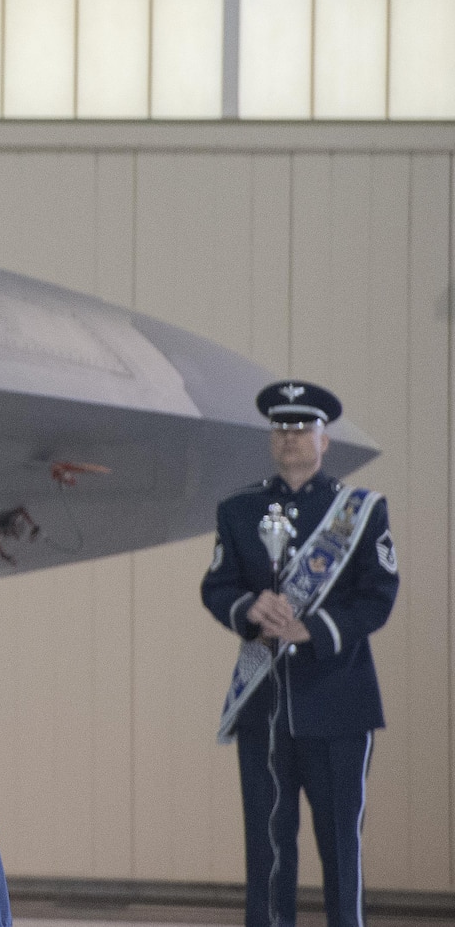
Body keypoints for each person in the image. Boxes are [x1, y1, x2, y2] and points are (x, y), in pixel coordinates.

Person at [202, 380, 399, 927]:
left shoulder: (359, 512)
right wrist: (249, 608)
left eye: (302, 428)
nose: (291, 438)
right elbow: (216, 586)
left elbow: (378, 596)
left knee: (340, 846)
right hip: (264, 702)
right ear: (272, 438)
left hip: (339, 699)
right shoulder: (238, 510)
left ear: (324, 439)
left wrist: (316, 629)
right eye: (282, 428)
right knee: (266, 849)